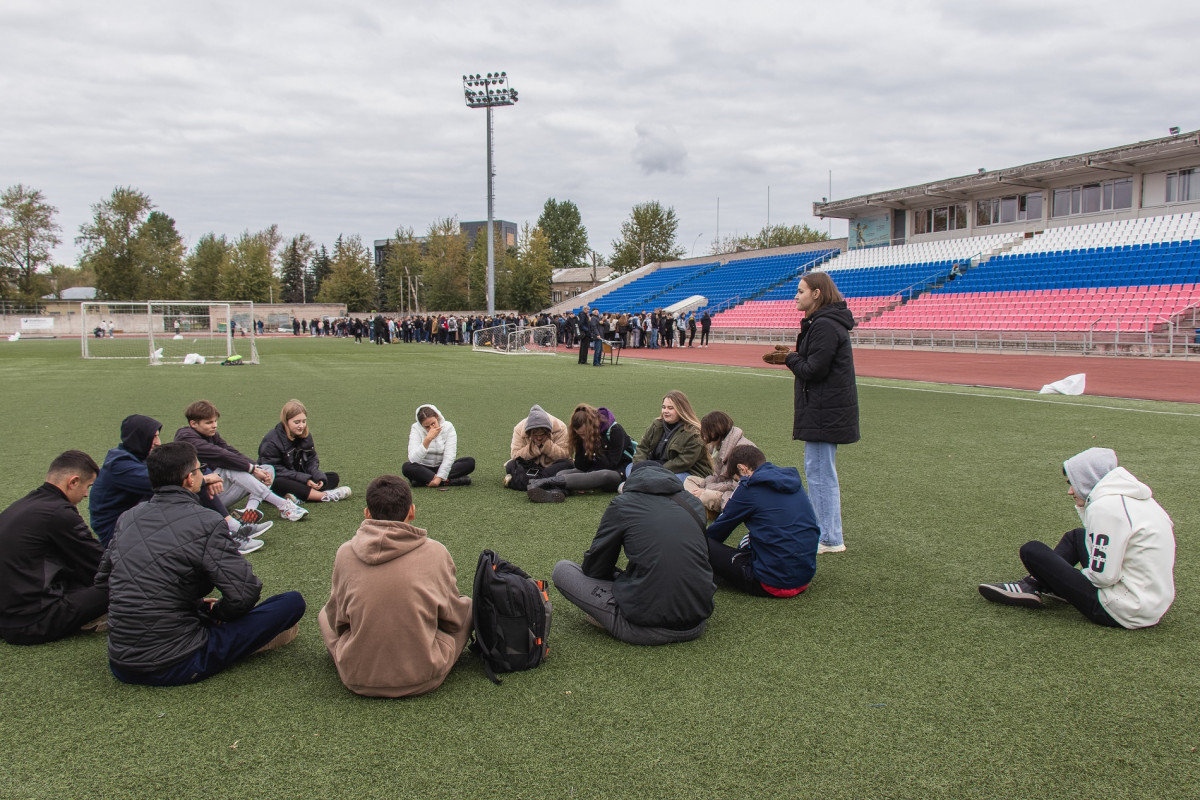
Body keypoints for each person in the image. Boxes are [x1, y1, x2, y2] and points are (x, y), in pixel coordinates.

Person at [98, 442, 306, 685]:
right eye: (200, 469)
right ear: (189, 479)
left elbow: (103, 581)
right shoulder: (206, 520)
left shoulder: (128, 517)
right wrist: (215, 613)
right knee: (291, 602)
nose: (203, 474)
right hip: (177, 662)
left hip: (120, 663)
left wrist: (192, 605)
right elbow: (244, 593)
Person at [978, 448, 1175, 629]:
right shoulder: (1140, 500)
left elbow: (1104, 577)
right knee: (1076, 537)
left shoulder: (1106, 508)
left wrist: (1066, 580)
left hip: (1121, 610)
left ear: (1087, 479)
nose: (1070, 491)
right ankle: (1032, 585)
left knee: (1032, 551)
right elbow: (1095, 540)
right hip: (1152, 606)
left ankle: (1032, 585)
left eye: (1073, 483)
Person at [319, 475, 472, 697]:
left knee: (324, 614)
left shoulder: (345, 553)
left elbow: (337, 620)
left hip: (357, 676)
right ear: (412, 511)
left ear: (367, 514)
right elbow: (453, 619)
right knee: (467, 606)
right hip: (425, 674)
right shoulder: (436, 552)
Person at [552, 461, 715, 645]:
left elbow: (596, 568)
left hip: (642, 627)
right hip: (697, 622)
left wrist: (614, 575)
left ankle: (609, 615)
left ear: (633, 480)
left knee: (563, 569)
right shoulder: (694, 503)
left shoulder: (623, 504)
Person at [764, 271, 858, 554]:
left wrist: (791, 358)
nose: (796, 295)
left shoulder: (825, 326)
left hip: (824, 411)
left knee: (819, 473)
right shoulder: (821, 323)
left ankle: (829, 538)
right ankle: (828, 533)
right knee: (819, 471)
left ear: (817, 293)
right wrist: (796, 355)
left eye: (801, 291)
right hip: (823, 408)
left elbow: (813, 370)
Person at [0, 451, 108, 645]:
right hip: (32, 622)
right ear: (73, 482)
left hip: (8, 613)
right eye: (87, 487)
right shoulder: (59, 513)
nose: (85, 494)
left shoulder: (22, 505)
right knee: (122, 582)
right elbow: (101, 563)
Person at [705, 445, 819, 598]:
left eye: (737, 479)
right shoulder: (792, 482)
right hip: (804, 577)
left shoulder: (748, 488)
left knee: (700, 542)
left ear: (743, 469)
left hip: (771, 583)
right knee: (750, 538)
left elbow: (718, 532)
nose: (738, 484)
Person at [175, 399, 308, 524]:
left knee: (266, 469)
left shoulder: (211, 434)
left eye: (215, 421)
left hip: (217, 492)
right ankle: (283, 505)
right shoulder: (187, 438)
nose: (214, 426)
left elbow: (230, 451)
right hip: (200, 501)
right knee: (230, 469)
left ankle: (250, 511)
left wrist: (256, 468)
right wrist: (251, 469)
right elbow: (221, 455)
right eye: (209, 423)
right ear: (193, 423)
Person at [527, 404, 632, 503]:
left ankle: (544, 482)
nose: (582, 437)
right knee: (562, 474)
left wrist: (593, 447)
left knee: (604, 474)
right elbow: (581, 466)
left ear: (592, 427)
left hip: (620, 472)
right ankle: (556, 493)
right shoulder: (582, 437)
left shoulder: (615, 430)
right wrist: (582, 445)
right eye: (579, 434)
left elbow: (610, 464)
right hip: (595, 469)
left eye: (584, 434)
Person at [258, 399, 352, 504]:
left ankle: (297, 498)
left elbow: (311, 459)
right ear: (286, 421)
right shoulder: (272, 440)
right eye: (296, 422)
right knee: (280, 483)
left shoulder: (305, 435)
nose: (301, 425)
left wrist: (317, 476)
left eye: (304, 421)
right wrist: (304, 479)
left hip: (300, 477)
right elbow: (274, 469)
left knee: (332, 477)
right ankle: (325, 496)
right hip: (278, 480)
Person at [684, 411, 755, 518]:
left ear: (715, 430)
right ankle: (705, 506)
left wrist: (708, 490)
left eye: (706, 432)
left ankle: (704, 506)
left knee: (704, 495)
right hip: (720, 486)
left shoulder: (742, 451)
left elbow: (739, 488)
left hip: (734, 495)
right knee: (690, 480)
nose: (704, 437)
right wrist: (709, 486)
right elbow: (717, 476)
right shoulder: (717, 446)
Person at [632, 390, 712, 481]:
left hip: (685, 472)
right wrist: (639, 467)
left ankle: (640, 482)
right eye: (664, 407)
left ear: (681, 410)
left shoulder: (694, 433)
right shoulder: (656, 425)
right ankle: (644, 481)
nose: (665, 411)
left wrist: (654, 470)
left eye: (670, 408)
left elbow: (683, 462)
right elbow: (642, 448)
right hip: (654, 467)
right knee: (630, 467)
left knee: (666, 480)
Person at [401, 404, 475, 488]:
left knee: (469, 462)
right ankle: (447, 481)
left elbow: (449, 455)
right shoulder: (415, 429)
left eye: (433, 423)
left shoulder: (448, 427)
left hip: (441, 466)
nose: (431, 428)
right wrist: (427, 440)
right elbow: (413, 460)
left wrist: (439, 478)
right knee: (406, 467)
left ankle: (424, 481)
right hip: (423, 468)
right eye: (426, 427)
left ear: (437, 417)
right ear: (421, 425)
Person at [505, 404, 573, 492]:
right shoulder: (519, 429)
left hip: (551, 466)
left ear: (548, 431)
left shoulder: (560, 427)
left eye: (542, 434)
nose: (539, 438)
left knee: (568, 464)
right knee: (511, 465)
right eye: (535, 435)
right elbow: (515, 455)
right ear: (529, 433)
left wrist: (548, 446)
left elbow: (566, 454)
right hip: (531, 466)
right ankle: (548, 483)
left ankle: (516, 482)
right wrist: (532, 448)